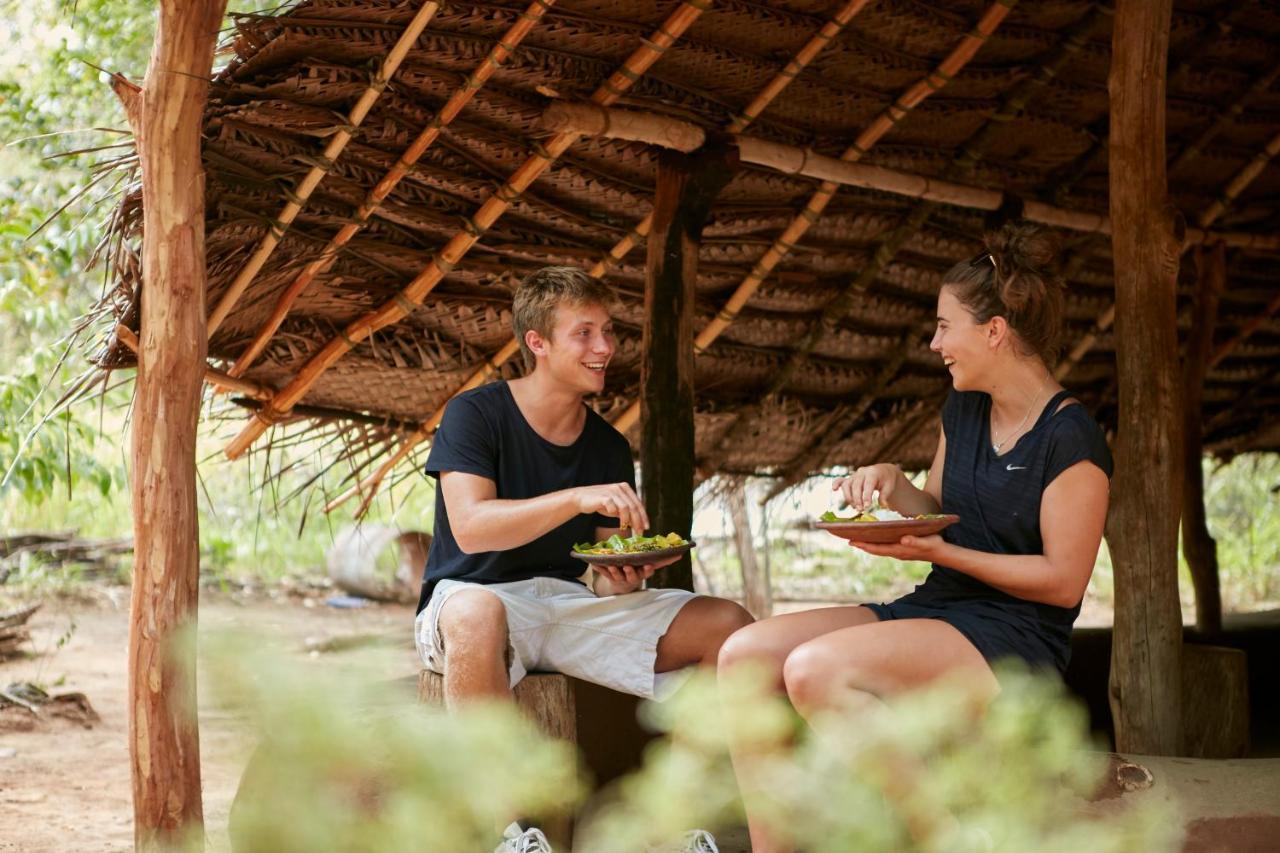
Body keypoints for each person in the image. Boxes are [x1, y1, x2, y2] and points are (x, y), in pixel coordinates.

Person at [717, 224, 1113, 852]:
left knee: (815, 670)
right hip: (939, 606)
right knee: (744, 655)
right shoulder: (962, 409)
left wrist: (943, 553)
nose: (935, 343)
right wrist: (894, 487)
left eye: (943, 326)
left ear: (994, 331)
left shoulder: (1071, 439)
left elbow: (1064, 582)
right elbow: (935, 508)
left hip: (1015, 640)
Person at [415, 265, 751, 853]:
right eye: (585, 333)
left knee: (728, 626)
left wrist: (624, 578)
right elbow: (470, 530)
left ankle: (673, 828)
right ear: (537, 343)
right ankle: (505, 836)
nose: (605, 348)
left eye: (608, 331)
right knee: (475, 613)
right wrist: (574, 496)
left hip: (567, 605)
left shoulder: (607, 445)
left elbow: (602, 571)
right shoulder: (476, 413)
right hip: (474, 598)